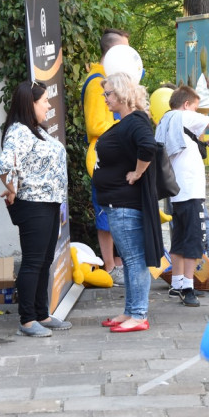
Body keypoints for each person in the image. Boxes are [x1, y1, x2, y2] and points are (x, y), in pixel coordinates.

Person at [0, 81, 71, 338]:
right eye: (44, 102)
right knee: (33, 261)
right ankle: (27, 320)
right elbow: (5, 165)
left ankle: (42, 313)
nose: (48, 105)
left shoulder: (35, 131)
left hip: (48, 203)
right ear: (31, 104)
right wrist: (13, 189)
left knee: (44, 260)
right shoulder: (19, 131)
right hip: (34, 204)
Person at [93, 73, 161, 332]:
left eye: (108, 93)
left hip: (125, 203)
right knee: (132, 259)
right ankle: (131, 311)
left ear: (122, 93)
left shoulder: (136, 121)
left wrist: (138, 172)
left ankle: (139, 314)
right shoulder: (127, 121)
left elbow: (148, 147)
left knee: (134, 260)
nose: (105, 98)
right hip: (117, 203)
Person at [156, 85, 209, 306]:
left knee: (178, 238)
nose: (198, 113)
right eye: (196, 107)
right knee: (193, 241)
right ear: (187, 104)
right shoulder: (186, 116)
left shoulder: (166, 120)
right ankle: (188, 286)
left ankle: (176, 284)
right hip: (190, 190)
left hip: (175, 190)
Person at [82, 28, 130, 284]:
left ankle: (118, 262)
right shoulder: (96, 83)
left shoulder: (109, 78)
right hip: (101, 160)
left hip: (114, 158)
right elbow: (94, 126)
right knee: (105, 214)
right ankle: (110, 266)